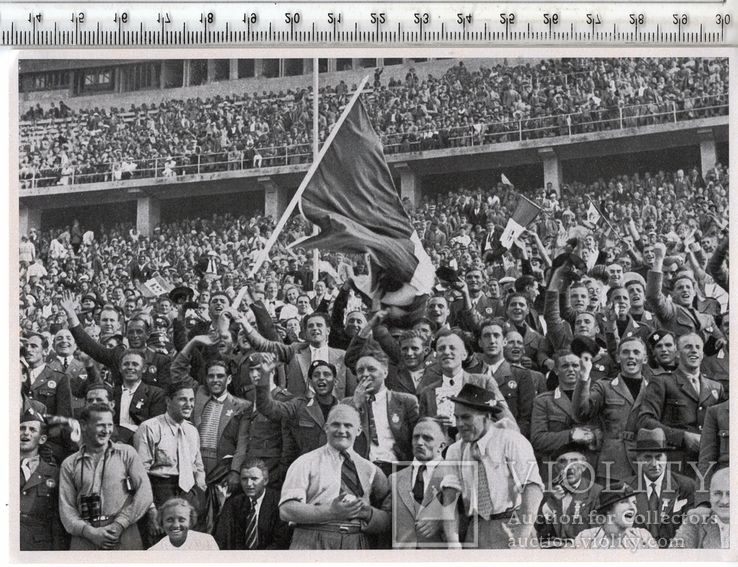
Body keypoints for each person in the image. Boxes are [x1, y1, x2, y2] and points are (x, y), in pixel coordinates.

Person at [442, 383, 544, 548]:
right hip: (476, 528)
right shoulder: (455, 450)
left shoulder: (511, 441)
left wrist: (520, 540)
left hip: (513, 525)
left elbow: (533, 490)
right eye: (457, 417)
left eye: (466, 417)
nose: (460, 424)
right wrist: (453, 542)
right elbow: (449, 498)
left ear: (487, 415)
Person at [279, 404, 391, 549]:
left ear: (358, 431)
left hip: (355, 543)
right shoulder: (305, 462)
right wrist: (331, 512)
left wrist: (368, 513)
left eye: (348, 425)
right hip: (312, 539)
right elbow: (286, 510)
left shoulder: (370, 469)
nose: (341, 431)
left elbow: (389, 517)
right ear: (326, 428)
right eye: (335, 425)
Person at [58, 403, 153, 550]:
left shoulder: (127, 454)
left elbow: (145, 494)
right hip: (84, 539)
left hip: (123, 536)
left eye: (110, 425)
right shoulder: (69, 464)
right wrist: (89, 532)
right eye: (100, 425)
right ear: (83, 425)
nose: (107, 430)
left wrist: (120, 524)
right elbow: (66, 508)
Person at [637, 333, 726, 478]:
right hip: (677, 464)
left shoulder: (715, 387)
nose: (694, 351)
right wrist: (682, 436)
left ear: (703, 354)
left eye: (698, 347)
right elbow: (645, 421)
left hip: (709, 463)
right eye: (688, 347)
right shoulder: (662, 382)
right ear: (677, 353)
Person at [133, 381, 207, 548]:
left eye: (191, 400)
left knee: (190, 545)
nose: (189, 405)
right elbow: (140, 475)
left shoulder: (191, 430)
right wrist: (151, 510)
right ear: (168, 401)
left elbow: (198, 465)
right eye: (182, 399)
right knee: (161, 545)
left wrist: (200, 492)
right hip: (161, 491)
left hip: (189, 492)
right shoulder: (149, 428)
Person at [238, 311, 352, 399]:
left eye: (319, 325)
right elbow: (266, 345)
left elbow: (350, 393)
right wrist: (246, 326)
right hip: (300, 417)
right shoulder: (295, 350)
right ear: (305, 332)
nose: (315, 328)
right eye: (310, 326)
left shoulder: (342, 356)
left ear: (328, 330)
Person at [385, 418, 460, 548]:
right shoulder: (395, 479)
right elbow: (387, 519)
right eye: (416, 437)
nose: (419, 442)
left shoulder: (456, 474)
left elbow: (473, 517)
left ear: (442, 446)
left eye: (427, 438)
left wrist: (443, 522)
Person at [345, 345, 419, 477]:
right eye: (360, 370)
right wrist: (356, 404)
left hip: (398, 469)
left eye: (371, 369)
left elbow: (417, 439)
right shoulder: (347, 405)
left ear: (385, 372)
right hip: (362, 470)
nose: (365, 374)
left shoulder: (406, 401)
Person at [624, 428, 695, 547]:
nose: (654, 464)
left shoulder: (686, 487)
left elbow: (692, 530)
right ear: (638, 459)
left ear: (666, 457)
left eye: (658, 457)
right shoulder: (626, 488)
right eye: (647, 457)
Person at [213, 458, 293, 550]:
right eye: (244, 479)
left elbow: (281, 542)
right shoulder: (234, 504)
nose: (249, 484)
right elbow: (223, 538)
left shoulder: (279, 503)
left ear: (265, 480)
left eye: (254, 479)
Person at [535, 444, 603, 547]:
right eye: (563, 461)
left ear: (584, 466)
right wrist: (549, 504)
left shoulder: (597, 492)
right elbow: (532, 529)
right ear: (556, 468)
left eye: (574, 461)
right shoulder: (543, 490)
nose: (568, 466)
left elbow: (598, 534)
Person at [20, 410, 67, 551]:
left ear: (42, 439)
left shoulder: (53, 473)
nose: (26, 433)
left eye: (32, 429)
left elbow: (57, 524)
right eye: (22, 428)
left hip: (39, 548)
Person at [574, 481, 658, 549]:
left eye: (634, 502)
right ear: (607, 510)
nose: (633, 507)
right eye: (624, 502)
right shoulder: (586, 538)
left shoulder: (643, 537)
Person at [113, 350, 167, 444]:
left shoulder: (155, 394)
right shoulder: (111, 393)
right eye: (126, 364)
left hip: (142, 444)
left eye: (135, 364)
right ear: (120, 368)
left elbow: (154, 427)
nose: (130, 367)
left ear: (144, 369)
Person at [670, 467, 729, 549]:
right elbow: (674, 556)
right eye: (717, 493)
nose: (724, 501)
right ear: (710, 494)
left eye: (730, 494)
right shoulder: (696, 519)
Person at [22, 332, 73, 418]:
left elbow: (64, 416)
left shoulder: (59, 378)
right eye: (25, 346)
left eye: (33, 346)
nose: (28, 350)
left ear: (45, 351)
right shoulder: (18, 375)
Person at [148, 498, 218, 551]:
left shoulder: (206, 542)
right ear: (161, 522)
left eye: (182, 520)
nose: (176, 525)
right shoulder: (155, 551)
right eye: (169, 520)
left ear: (190, 521)